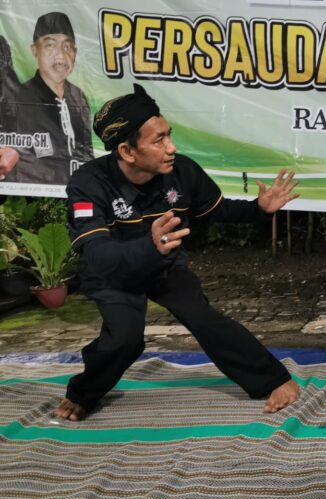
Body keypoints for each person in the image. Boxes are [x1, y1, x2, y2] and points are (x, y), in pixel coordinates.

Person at [55, 83, 300, 421]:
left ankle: (273, 379)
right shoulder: (88, 183)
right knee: (124, 340)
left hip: (165, 267)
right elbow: (96, 254)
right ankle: (83, 393)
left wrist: (260, 209)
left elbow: (215, 212)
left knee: (203, 317)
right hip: (114, 276)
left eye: (169, 135)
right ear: (127, 151)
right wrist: (147, 245)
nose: (171, 147)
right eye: (159, 140)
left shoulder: (181, 171)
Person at [5, 12, 93, 185]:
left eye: (67, 47)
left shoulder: (79, 96)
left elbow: (87, 150)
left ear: (75, 53)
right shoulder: (18, 98)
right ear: (34, 50)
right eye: (50, 46)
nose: (60, 56)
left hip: (77, 190)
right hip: (34, 195)